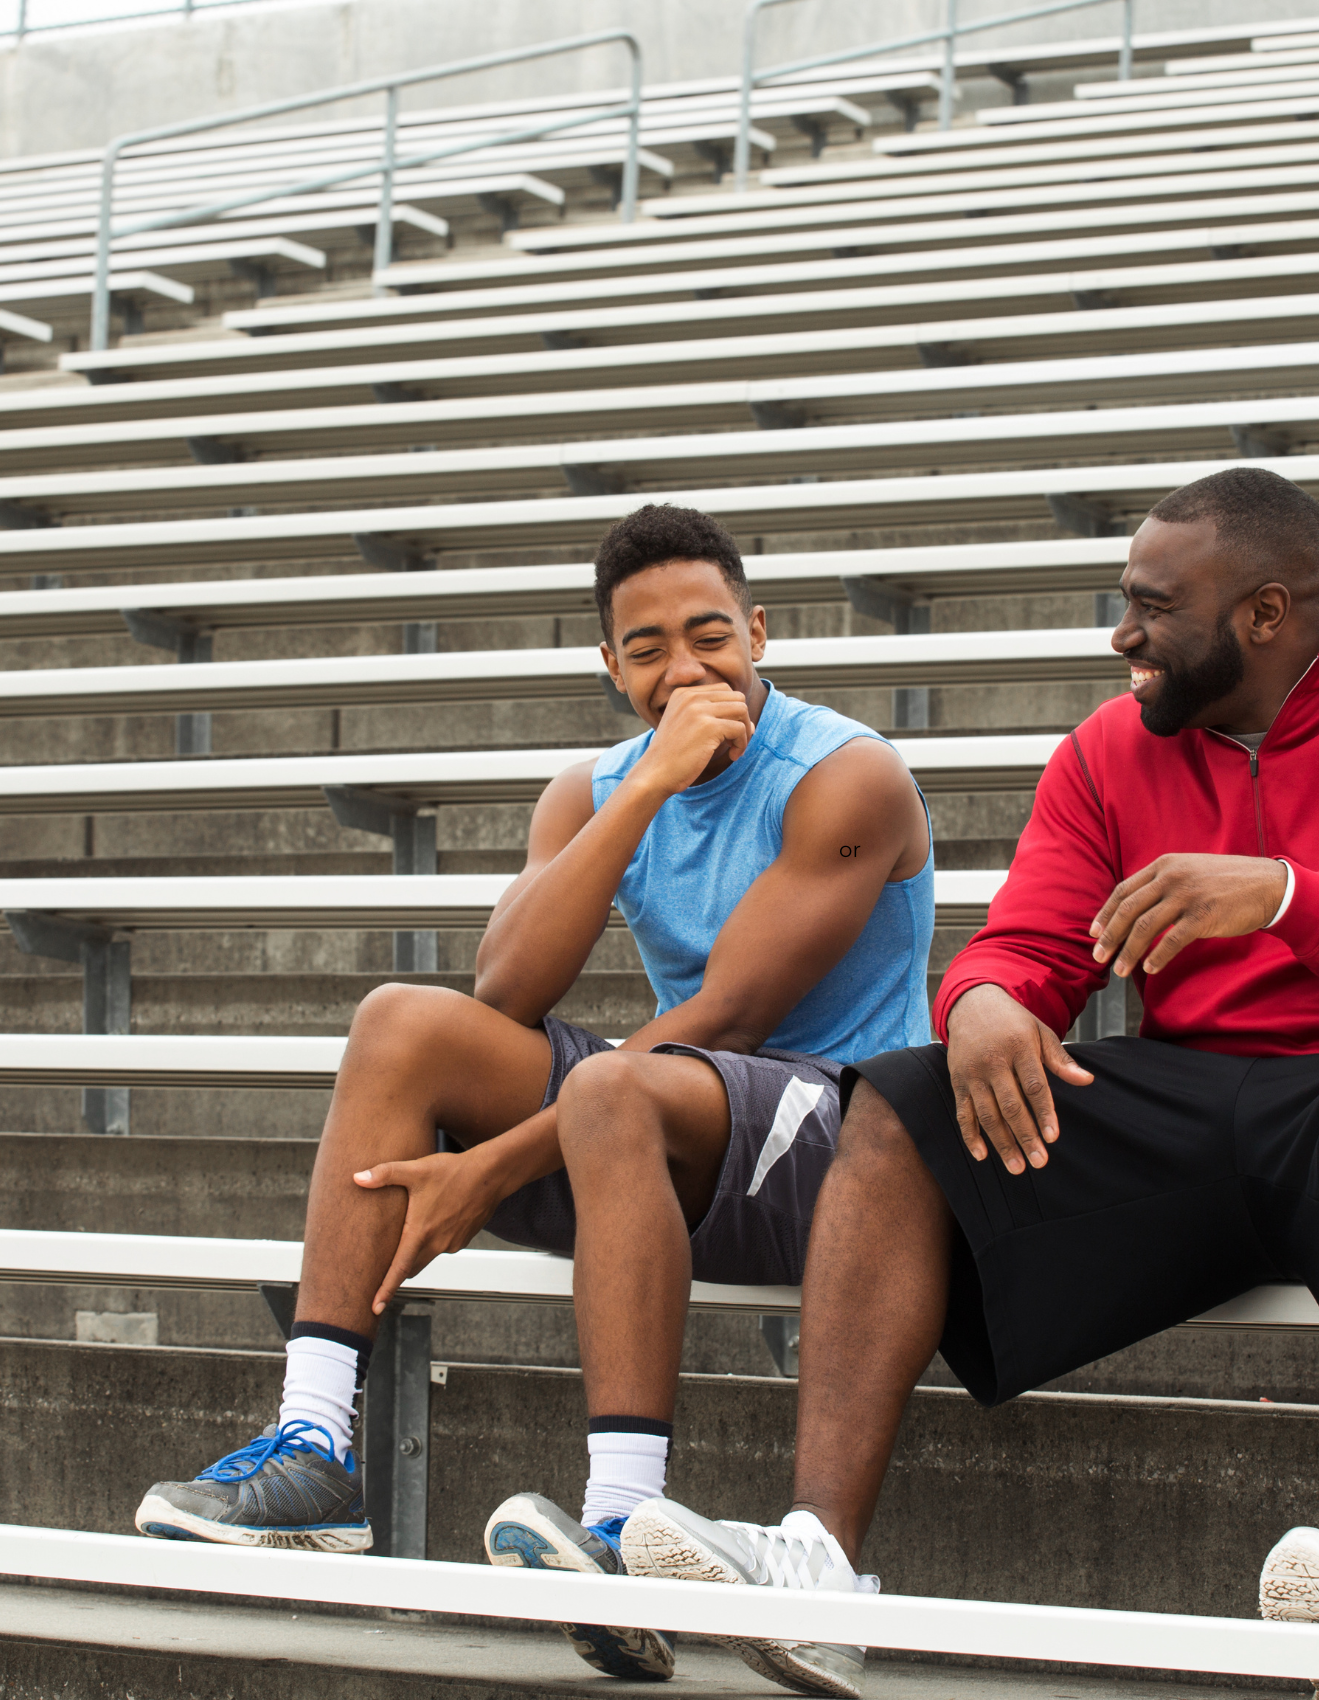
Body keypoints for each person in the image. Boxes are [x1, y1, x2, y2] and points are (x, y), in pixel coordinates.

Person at [617, 466, 1319, 1700]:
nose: (1121, 633)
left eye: (1151, 606)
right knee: (900, 1100)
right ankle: (813, 1566)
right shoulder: (1109, 747)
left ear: (1262, 611)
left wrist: (1286, 894)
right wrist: (979, 1007)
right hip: (1210, 1094)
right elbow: (1024, 947)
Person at [134, 502, 935, 1684]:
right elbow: (505, 983)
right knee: (401, 1025)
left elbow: (731, 1019)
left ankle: (620, 1521)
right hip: (667, 1118)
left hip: (847, 1142)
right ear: (610, 668)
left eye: (710, 634)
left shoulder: (846, 774)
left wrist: (498, 1162)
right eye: (648, 647)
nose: (685, 667)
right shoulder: (600, 786)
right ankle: (313, 1446)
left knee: (616, 1083)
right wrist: (644, 788)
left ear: (760, 631)